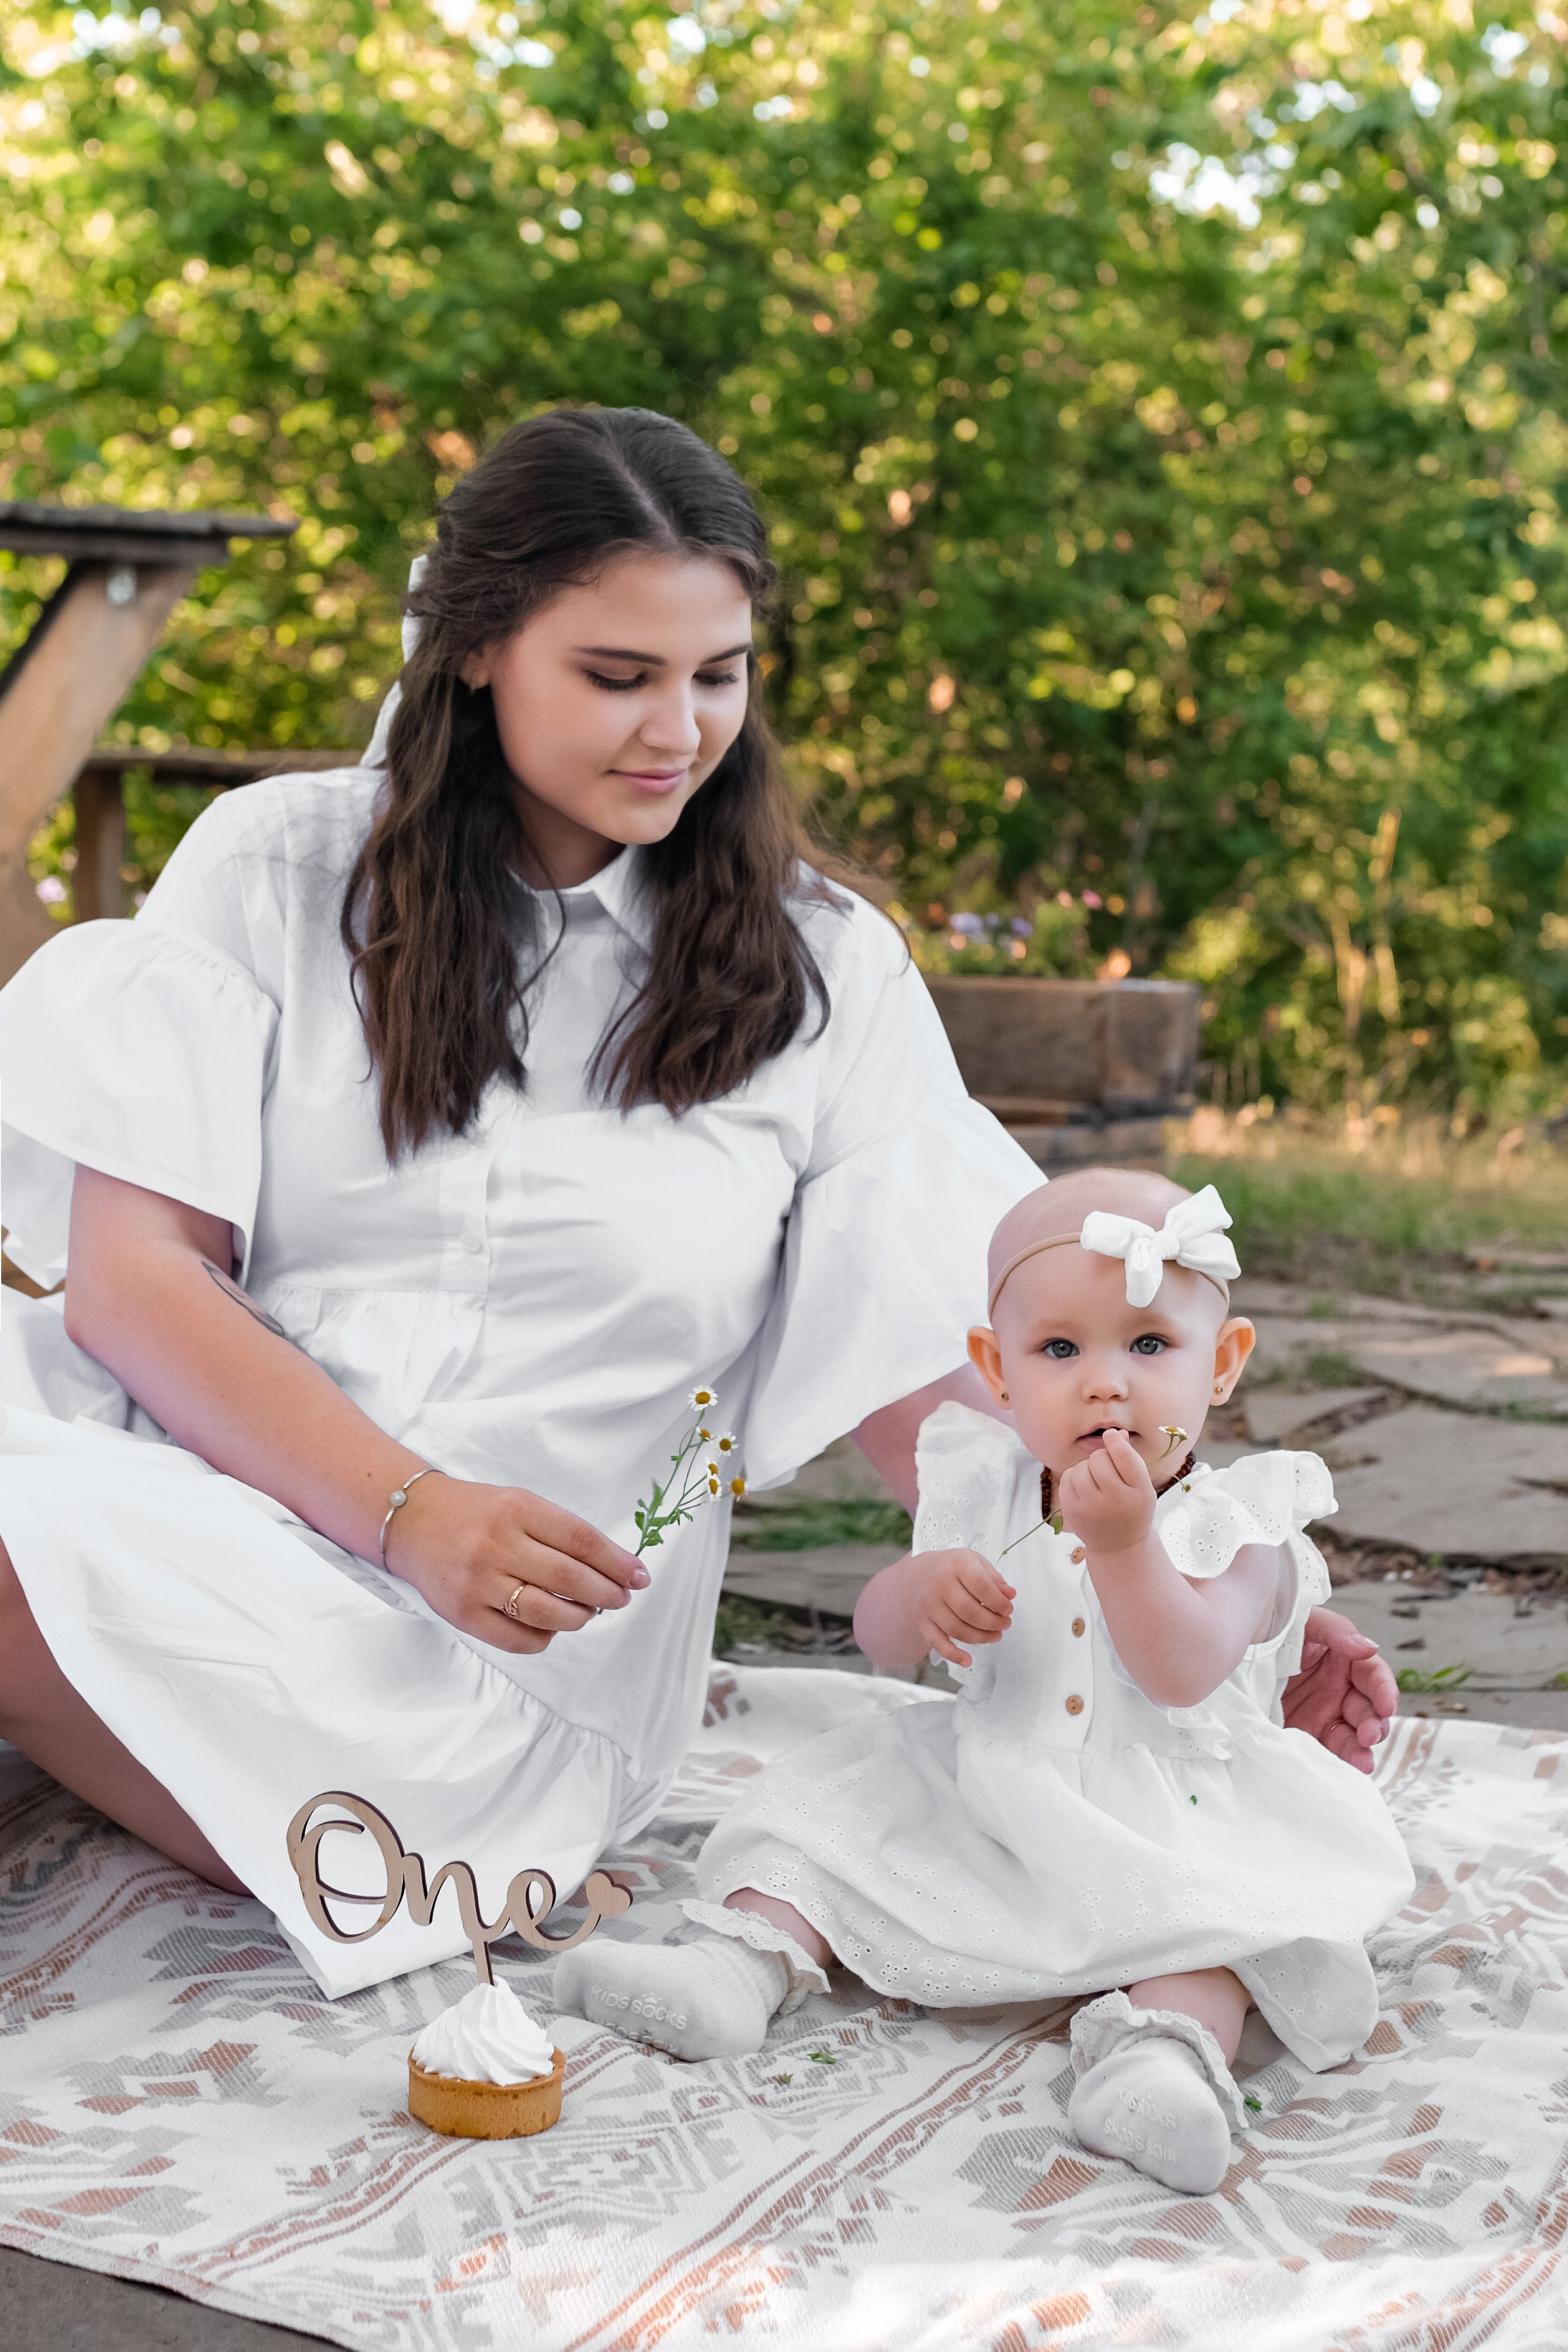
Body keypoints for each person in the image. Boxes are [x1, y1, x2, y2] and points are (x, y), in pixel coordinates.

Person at [0, 407, 1395, 1997]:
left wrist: (1222, 1612)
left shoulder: (820, 971)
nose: (678, 728)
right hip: (212, 1516)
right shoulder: (274, 867)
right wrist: (408, 1509)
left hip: (511, 1664)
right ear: (470, 652)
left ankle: (347, 1817)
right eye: (617, 676)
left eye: (717, 674)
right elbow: (132, 1280)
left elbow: (985, 1368)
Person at [558, 1171, 1414, 2198]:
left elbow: (1180, 1672)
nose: (1106, 1383)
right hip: (993, 1791)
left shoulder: (1244, 1523)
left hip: (1173, 1812)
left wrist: (1128, 1547)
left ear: (1221, 1365)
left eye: (1149, 1345)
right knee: (822, 1832)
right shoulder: (984, 1483)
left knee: (1224, 1930)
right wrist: (915, 1593)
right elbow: (880, 1644)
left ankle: (1161, 2060)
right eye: (1060, 1349)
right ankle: (736, 1967)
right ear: (996, 1372)